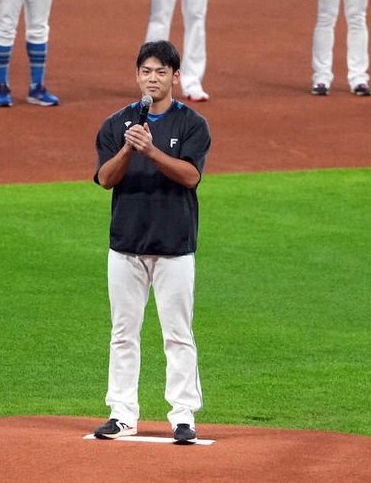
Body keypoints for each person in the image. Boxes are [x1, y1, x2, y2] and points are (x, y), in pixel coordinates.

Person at [92, 40, 211, 446]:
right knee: (123, 332)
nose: (152, 78)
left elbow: (191, 176)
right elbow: (106, 178)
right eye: (146, 71)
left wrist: (152, 150)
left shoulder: (192, 124)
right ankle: (122, 413)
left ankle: (183, 416)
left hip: (174, 244)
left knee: (177, 333)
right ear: (137, 75)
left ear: (175, 77)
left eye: (161, 71)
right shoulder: (117, 124)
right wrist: (129, 146)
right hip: (125, 243)